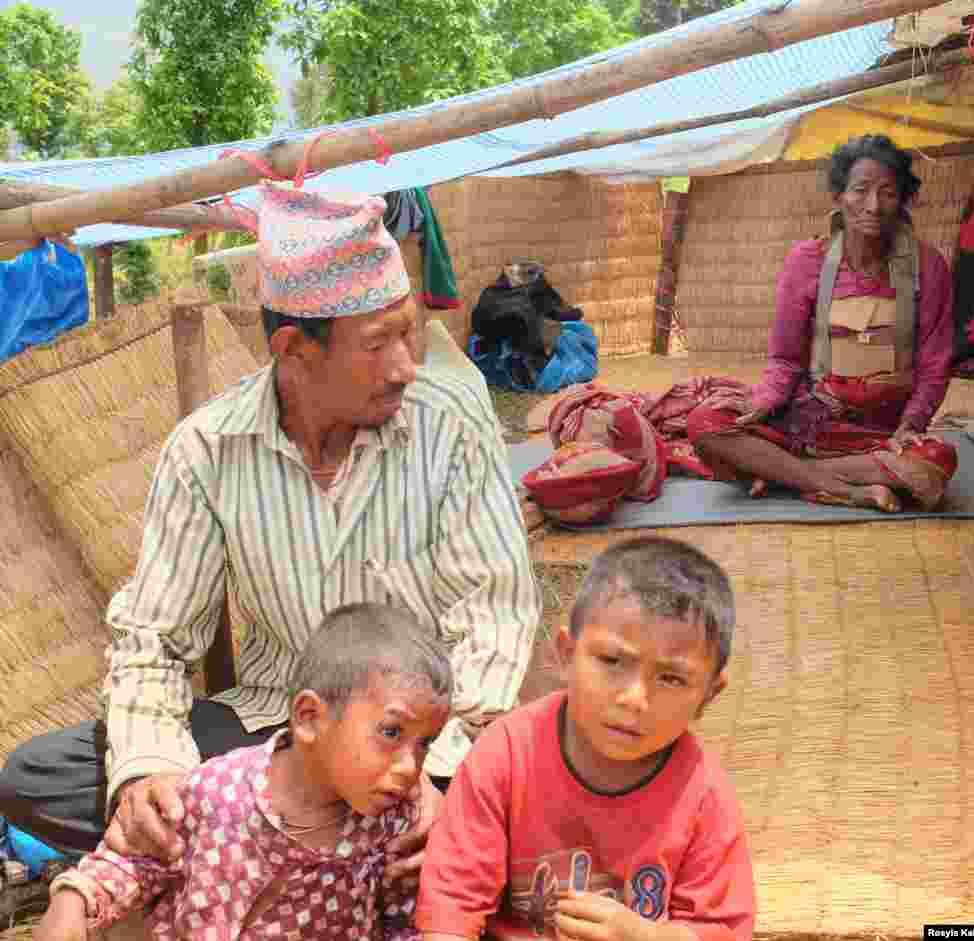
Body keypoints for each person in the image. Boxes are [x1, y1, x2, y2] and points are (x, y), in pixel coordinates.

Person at [0, 183, 540, 885]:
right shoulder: (207, 451)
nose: (408, 364)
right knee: (38, 773)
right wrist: (150, 767)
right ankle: (316, 843)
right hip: (278, 733)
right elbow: (153, 638)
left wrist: (426, 775)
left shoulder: (450, 430)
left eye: (408, 332)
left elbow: (492, 622)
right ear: (295, 350)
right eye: (379, 344)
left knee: (532, 789)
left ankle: (282, 841)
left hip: (417, 742)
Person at [33, 602, 451, 941]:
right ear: (309, 718)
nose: (411, 765)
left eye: (424, 743)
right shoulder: (213, 792)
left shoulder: (395, 830)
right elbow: (133, 862)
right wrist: (73, 900)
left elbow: (407, 924)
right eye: (392, 732)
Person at [416, 536, 755, 941]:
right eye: (612, 661)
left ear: (708, 695)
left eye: (671, 678)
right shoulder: (504, 755)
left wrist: (643, 936)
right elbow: (451, 911)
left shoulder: (703, 793)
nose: (634, 699)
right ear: (565, 654)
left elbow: (721, 932)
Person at [686, 134, 958, 512]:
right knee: (706, 422)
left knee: (936, 462)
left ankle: (786, 473)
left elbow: (934, 367)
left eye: (888, 193)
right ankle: (846, 488)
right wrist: (763, 401)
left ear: (904, 200)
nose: (873, 206)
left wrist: (911, 425)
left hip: (881, 431)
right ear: (838, 197)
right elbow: (785, 359)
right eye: (860, 191)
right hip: (811, 417)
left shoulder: (929, 267)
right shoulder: (807, 260)